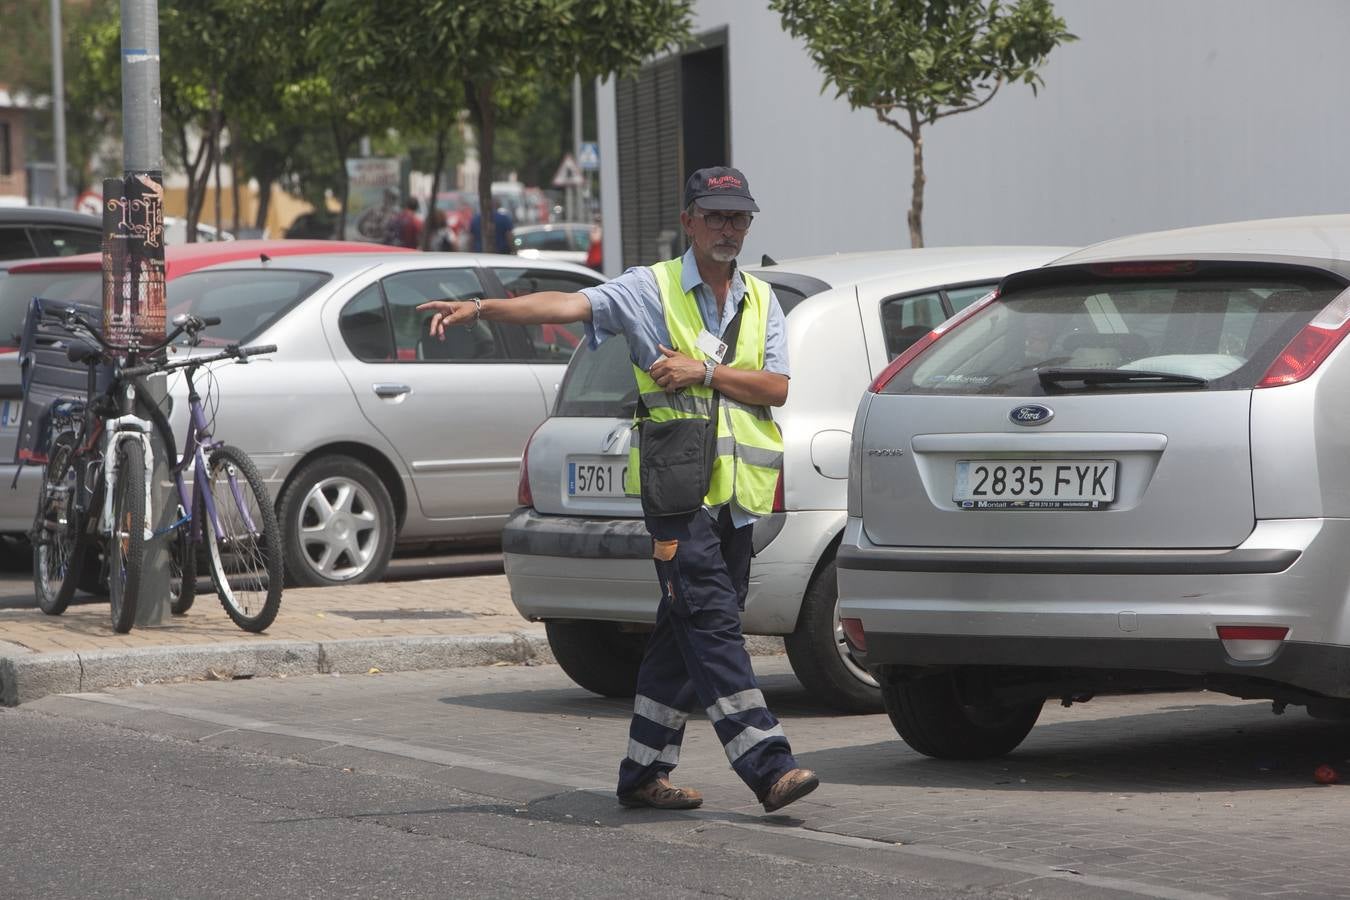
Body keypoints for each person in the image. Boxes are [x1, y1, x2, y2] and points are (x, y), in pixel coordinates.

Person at [417, 167, 819, 815]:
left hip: (738, 499)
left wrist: (705, 371)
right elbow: (571, 305)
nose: (728, 228)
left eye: (738, 217)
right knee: (712, 622)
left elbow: (775, 387)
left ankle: (641, 773)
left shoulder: (761, 300)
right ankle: (767, 763)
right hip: (675, 495)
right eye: (715, 216)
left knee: (681, 633)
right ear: (688, 219)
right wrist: (486, 308)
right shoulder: (650, 288)